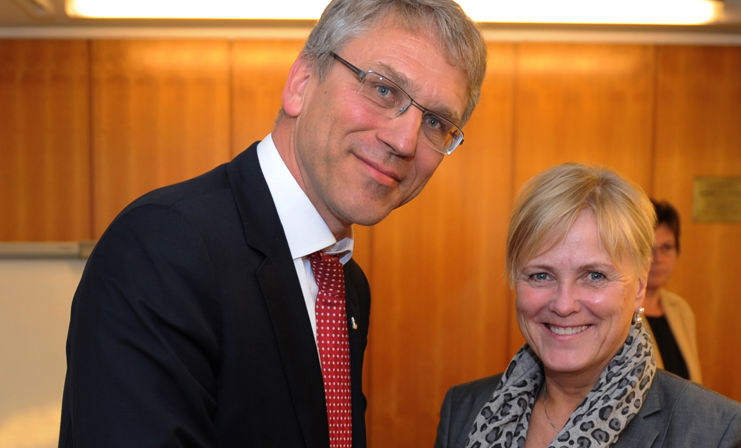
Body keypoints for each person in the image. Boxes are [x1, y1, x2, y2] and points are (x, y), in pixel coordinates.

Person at [58, 1, 487, 447]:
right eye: (383, 90)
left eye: (436, 121)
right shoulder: (164, 247)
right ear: (301, 83)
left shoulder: (344, 284)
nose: (404, 140)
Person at [434, 163, 741, 448]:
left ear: (639, 288)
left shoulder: (717, 434)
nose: (564, 304)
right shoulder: (463, 410)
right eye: (540, 276)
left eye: (594, 275)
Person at [642, 198, 702, 383]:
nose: (657, 258)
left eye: (666, 248)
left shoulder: (681, 309)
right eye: (648, 249)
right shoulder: (618, 311)